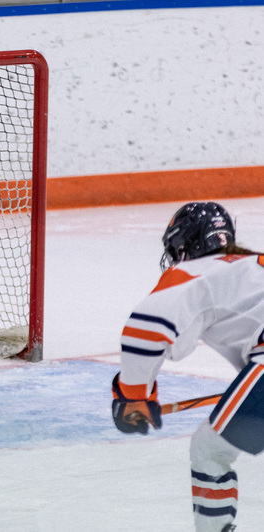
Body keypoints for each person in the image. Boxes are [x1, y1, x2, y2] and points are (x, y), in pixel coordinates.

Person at [111, 201, 264, 532]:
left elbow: (146, 330)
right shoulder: (251, 266)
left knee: (209, 451)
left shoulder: (195, 271)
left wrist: (133, 394)